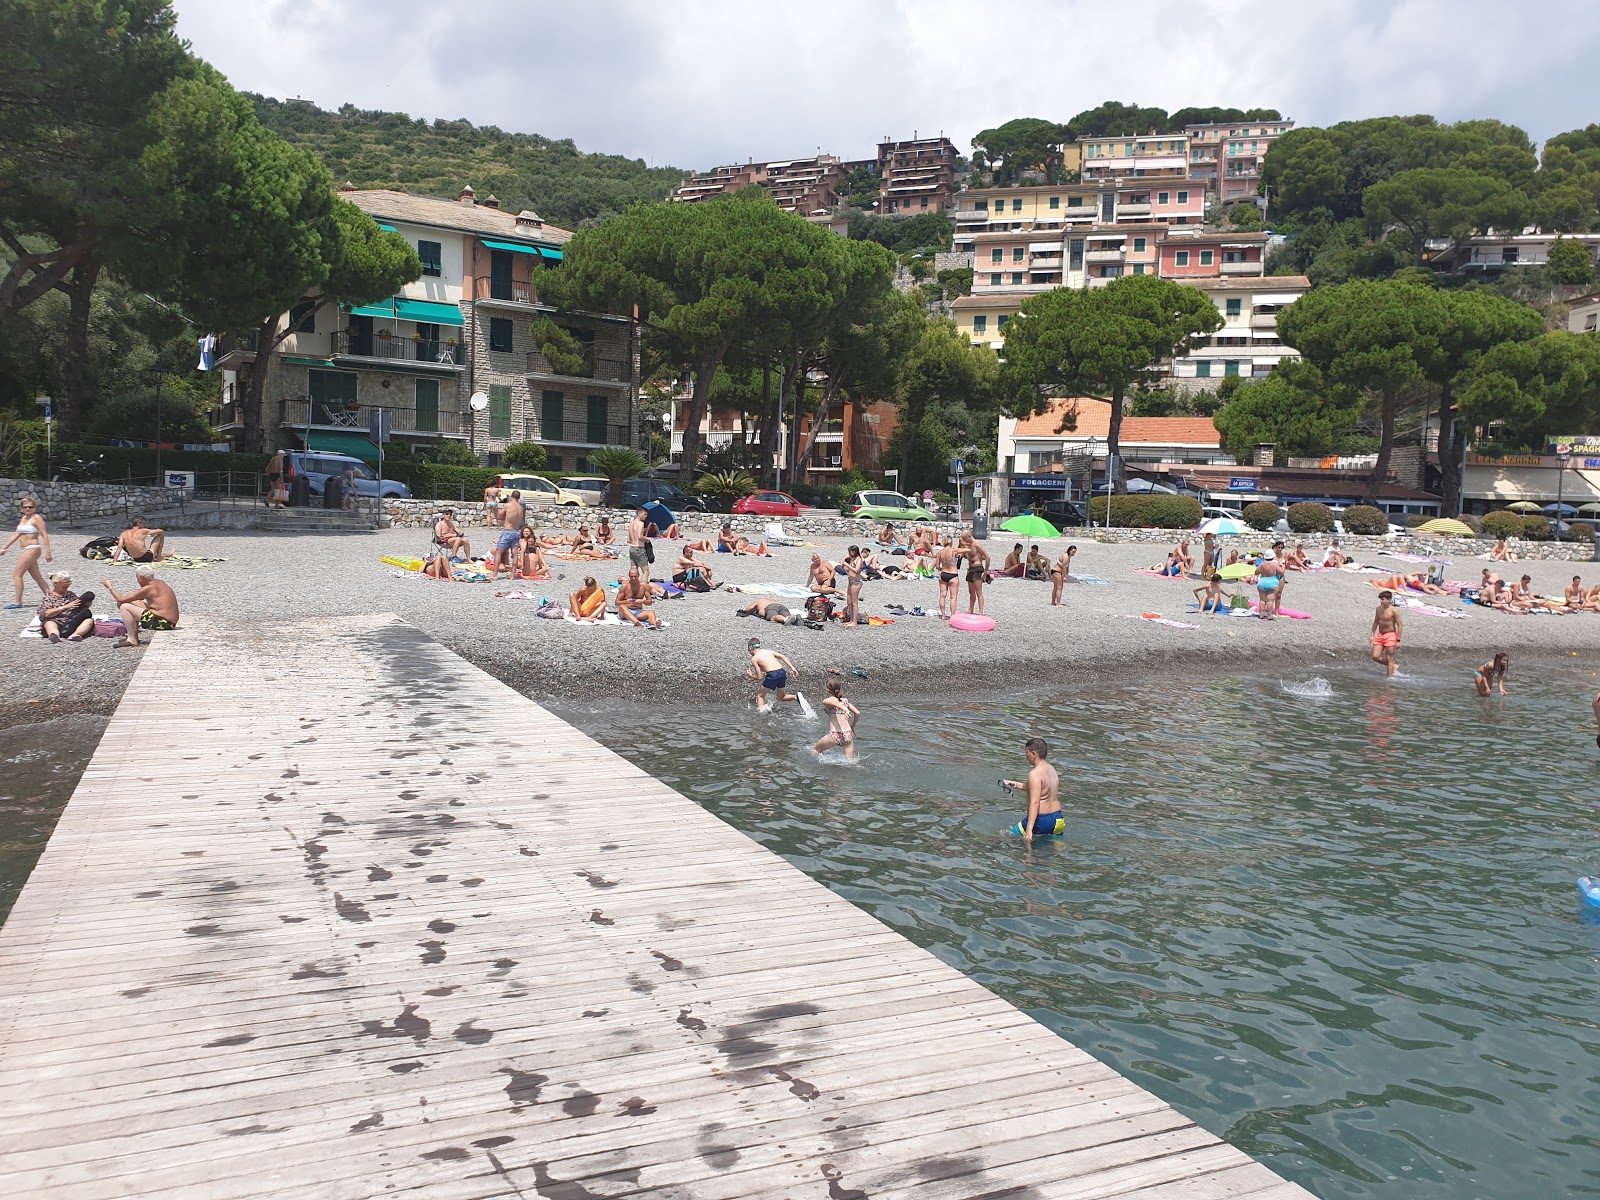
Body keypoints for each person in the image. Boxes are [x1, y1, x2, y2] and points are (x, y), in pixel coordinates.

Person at [1002, 736, 1062, 842]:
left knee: (1005, 836)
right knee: (1046, 850)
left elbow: (1035, 803)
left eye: (1027, 752)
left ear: (1034, 754)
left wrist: (1029, 830)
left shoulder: (1034, 774)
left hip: (1042, 820)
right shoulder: (1051, 769)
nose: (1026, 756)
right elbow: (1039, 789)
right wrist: (1015, 784)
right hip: (1057, 819)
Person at [102, 565, 179, 648]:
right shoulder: (159, 582)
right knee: (129, 603)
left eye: (137, 578)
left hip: (163, 623)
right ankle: (134, 634)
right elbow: (127, 599)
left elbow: (120, 599)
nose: (137, 581)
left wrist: (110, 587)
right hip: (169, 620)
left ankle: (132, 640)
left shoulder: (149, 588)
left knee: (124, 606)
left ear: (142, 578)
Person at [2, 495, 50, 609]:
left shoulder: (36, 518)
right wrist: (4, 547)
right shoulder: (23, 519)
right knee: (37, 576)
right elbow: (16, 534)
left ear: (34, 507)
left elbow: (44, 534)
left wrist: (48, 552)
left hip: (33, 548)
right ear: (22, 508)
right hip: (26, 548)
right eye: (25, 507)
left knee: (17, 575)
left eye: (30, 507)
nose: (28, 509)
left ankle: (17, 602)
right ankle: (51, 597)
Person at [36, 571, 94, 643]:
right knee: (49, 623)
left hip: (70, 621)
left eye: (69, 583)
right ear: (56, 583)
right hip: (57, 620)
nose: (68, 585)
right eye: (65, 583)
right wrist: (64, 607)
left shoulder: (70, 594)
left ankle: (75, 635)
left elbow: (78, 606)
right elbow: (46, 614)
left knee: (89, 620)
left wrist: (87, 603)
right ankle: (54, 635)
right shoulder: (49, 597)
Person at [812, 678, 861, 762]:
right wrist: (853, 725)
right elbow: (857, 712)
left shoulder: (826, 701)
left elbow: (836, 704)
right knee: (850, 762)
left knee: (814, 750)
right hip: (848, 734)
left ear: (827, 690)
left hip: (836, 735)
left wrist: (845, 710)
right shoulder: (845, 701)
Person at [745, 637, 798, 712]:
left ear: (750, 649)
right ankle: (796, 697)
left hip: (772, 674)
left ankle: (761, 715)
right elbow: (783, 656)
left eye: (748, 651)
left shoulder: (754, 659)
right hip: (782, 672)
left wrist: (750, 676)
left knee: (760, 696)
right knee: (781, 697)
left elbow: (759, 677)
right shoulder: (769, 651)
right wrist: (793, 668)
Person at [492, 490, 525, 578]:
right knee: (514, 554)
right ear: (519, 497)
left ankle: (495, 574)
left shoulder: (508, 505)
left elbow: (499, 517)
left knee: (499, 552)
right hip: (516, 531)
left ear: (511, 496)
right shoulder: (520, 508)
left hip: (507, 531)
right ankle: (512, 575)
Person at [1370, 589, 1402, 678]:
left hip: (1390, 635)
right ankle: (1394, 666)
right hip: (1380, 635)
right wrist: (1372, 635)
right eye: (1381, 599)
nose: (1381, 601)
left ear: (1388, 600)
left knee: (1389, 658)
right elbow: (1376, 622)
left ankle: (1389, 678)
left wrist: (1398, 640)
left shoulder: (1394, 611)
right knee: (1375, 656)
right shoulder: (1378, 609)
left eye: (1383, 599)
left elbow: (1400, 625)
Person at [961, 532, 990, 615]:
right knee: (971, 592)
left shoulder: (977, 544)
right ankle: (970, 610)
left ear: (969, 536)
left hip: (977, 569)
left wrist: (985, 572)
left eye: (965, 539)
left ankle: (981, 613)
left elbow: (987, 557)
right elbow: (971, 556)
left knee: (979, 592)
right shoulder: (969, 545)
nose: (964, 541)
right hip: (970, 569)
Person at [839, 545, 864, 629]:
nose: (850, 553)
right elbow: (848, 571)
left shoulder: (859, 559)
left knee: (854, 602)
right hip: (850, 581)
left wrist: (847, 565)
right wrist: (843, 566)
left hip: (856, 582)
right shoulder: (852, 559)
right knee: (849, 601)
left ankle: (855, 621)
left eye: (851, 551)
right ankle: (851, 619)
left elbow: (857, 570)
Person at [934, 537, 959, 619]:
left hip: (943, 574)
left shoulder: (940, 553)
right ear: (951, 542)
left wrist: (942, 569)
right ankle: (952, 616)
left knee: (942, 595)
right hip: (953, 574)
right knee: (953, 597)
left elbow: (937, 566)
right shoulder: (954, 551)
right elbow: (967, 550)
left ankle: (943, 615)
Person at [737, 596, 801, 625]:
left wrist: (744, 609)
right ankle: (794, 617)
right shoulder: (771, 600)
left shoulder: (760, 600)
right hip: (780, 606)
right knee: (787, 614)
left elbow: (749, 609)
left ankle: (785, 619)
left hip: (770, 607)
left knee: (773, 617)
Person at [1255, 550, 1281, 619]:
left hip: (1262, 582)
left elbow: (1256, 572)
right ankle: (1269, 615)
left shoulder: (1262, 564)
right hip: (1272, 582)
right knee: (1270, 600)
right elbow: (1281, 573)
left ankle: (1261, 614)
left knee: (1262, 600)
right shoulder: (1275, 565)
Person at [627, 506, 650, 575]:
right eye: (645, 514)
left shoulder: (632, 523)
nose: (646, 516)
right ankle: (644, 585)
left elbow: (629, 539)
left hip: (632, 547)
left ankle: (634, 585)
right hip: (639, 548)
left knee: (634, 570)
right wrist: (646, 539)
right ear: (639, 513)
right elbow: (639, 536)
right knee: (646, 572)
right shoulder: (641, 523)